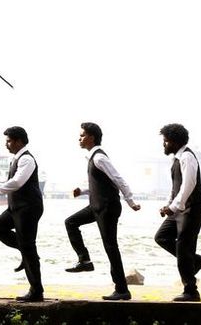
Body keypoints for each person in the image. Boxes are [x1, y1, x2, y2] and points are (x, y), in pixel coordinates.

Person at [64, 122, 141, 301]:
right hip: (97, 206)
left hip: (107, 207)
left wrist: (130, 201)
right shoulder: (92, 157)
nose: (79, 139)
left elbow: (118, 179)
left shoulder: (99, 158)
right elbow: (101, 183)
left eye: (82, 135)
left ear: (91, 137)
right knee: (71, 222)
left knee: (110, 246)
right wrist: (82, 191)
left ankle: (122, 290)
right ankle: (84, 261)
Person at [0, 126, 44, 302]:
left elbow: (17, 182)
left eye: (9, 141)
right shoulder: (16, 159)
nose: (6, 144)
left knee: (28, 247)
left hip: (28, 208)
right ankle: (25, 250)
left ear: (19, 141)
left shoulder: (26, 159)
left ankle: (36, 291)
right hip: (16, 208)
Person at [153, 123, 201, 302]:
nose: (163, 144)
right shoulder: (176, 159)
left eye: (166, 141)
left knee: (184, 247)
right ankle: (196, 261)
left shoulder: (187, 157)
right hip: (179, 209)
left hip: (192, 209)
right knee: (161, 237)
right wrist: (169, 205)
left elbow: (188, 185)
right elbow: (176, 187)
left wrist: (174, 207)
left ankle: (191, 291)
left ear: (175, 142)